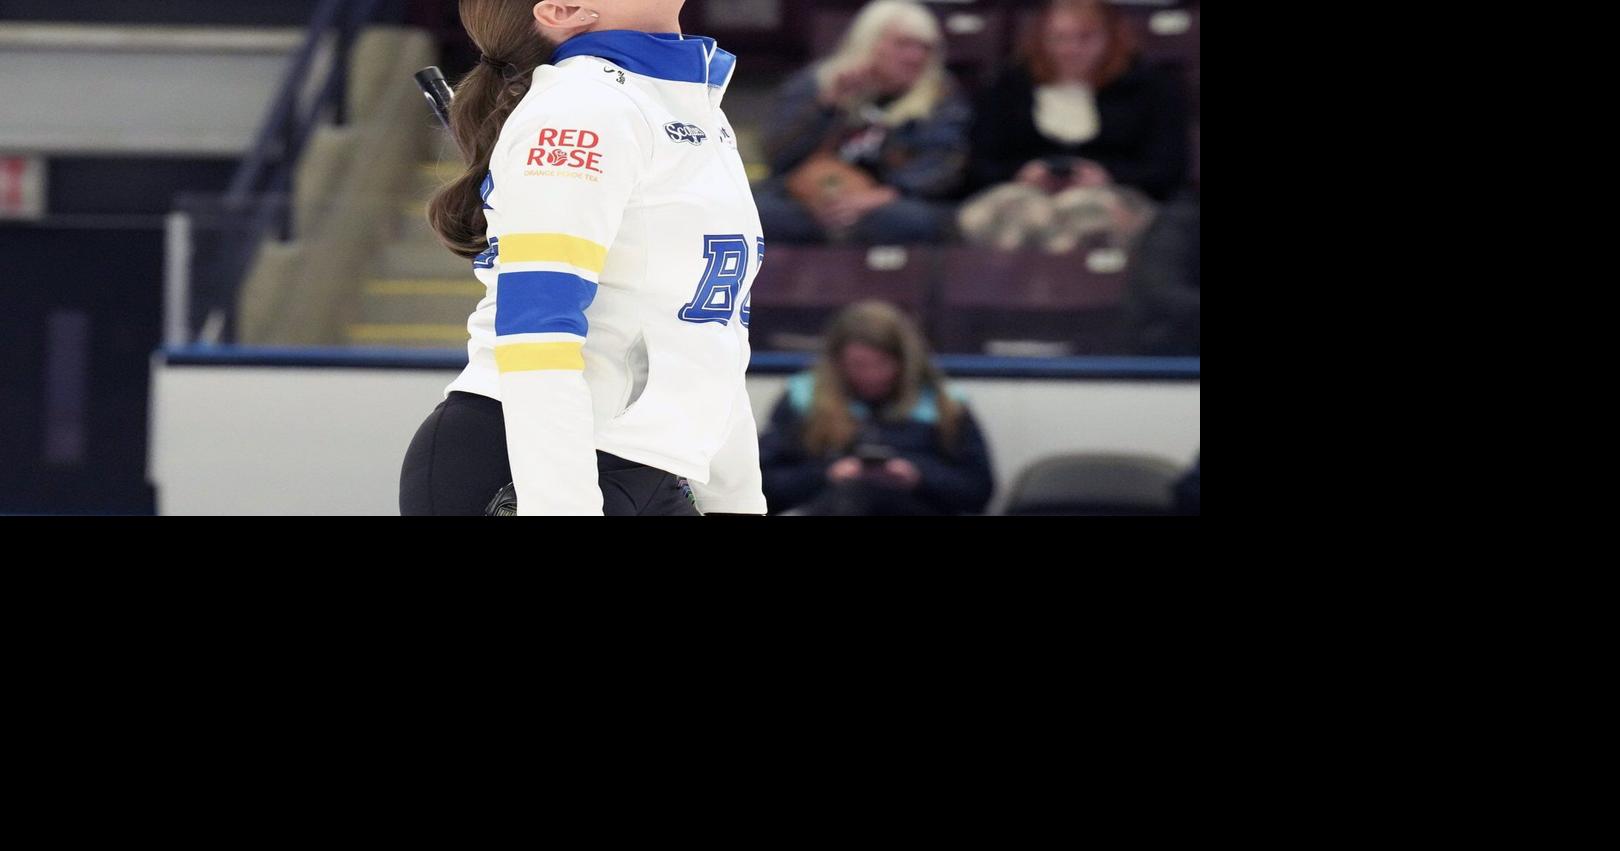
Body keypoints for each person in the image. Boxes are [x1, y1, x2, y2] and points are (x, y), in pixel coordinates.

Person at [399, 0, 766, 516]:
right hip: (535, 467)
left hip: (652, 469)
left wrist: (737, 504)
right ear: (564, 10)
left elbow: (713, 338)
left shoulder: (696, 112)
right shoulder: (581, 106)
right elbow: (537, 335)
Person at [959, 0, 1189, 252]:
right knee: (1014, 214)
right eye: (1059, 38)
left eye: (1085, 38)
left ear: (1110, 37)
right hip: (1023, 193)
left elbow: (1166, 169)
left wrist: (1107, 176)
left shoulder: (1150, 88)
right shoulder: (1009, 86)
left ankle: (1081, 287)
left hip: (1115, 193)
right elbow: (979, 164)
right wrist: (1022, 173)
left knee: (1086, 215)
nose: (1071, 49)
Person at [753, 0, 972, 245]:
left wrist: (879, 196)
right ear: (868, 42)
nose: (915, 56)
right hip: (804, 197)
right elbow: (778, 156)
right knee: (759, 215)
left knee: (909, 221)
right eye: (903, 44)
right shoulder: (817, 84)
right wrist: (828, 106)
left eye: (925, 47)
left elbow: (943, 165)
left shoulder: (940, 96)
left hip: (886, 201)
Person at [758, 302, 994, 515]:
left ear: (905, 362)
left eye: (882, 364)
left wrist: (917, 476)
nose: (871, 375)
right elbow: (762, 485)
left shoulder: (944, 405)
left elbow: (978, 491)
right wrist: (826, 474)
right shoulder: (803, 399)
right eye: (858, 365)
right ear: (837, 362)